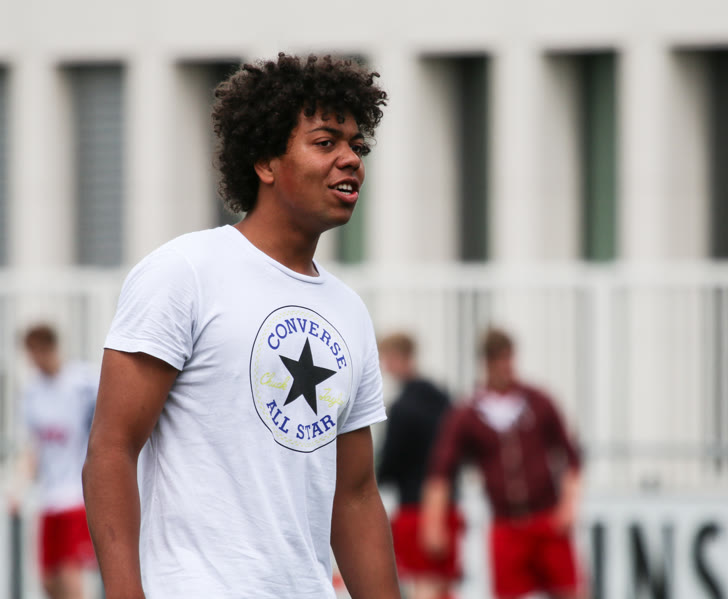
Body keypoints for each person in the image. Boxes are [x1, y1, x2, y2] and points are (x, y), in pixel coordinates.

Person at [82, 54, 401, 599]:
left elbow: (354, 495)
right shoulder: (184, 272)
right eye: (326, 142)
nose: (350, 159)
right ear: (265, 163)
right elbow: (112, 448)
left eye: (357, 146)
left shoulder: (348, 310)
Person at [422, 328, 584, 599]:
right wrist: (434, 523)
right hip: (506, 524)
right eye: (497, 359)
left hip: (546, 519)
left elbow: (571, 457)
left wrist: (568, 507)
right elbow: (441, 471)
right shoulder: (469, 414)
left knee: (569, 591)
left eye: (507, 358)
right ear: (485, 362)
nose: (504, 366)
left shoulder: (538, 402)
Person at [376, 332, 461, 599]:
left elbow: (390, 462)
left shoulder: (402, 407)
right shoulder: (443, 398)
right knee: (444, 586)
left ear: (396, 357)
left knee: (422, 585)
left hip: (414, 509)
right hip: (447, 505)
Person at [16, 324, 97, 599]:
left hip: (76, 495)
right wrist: (19, 488)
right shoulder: (32, 393)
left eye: (37, 353)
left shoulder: (83, 383)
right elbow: (34, 446)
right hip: (49, 497)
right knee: (48, 580)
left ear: (50, 349)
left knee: (70, 572)